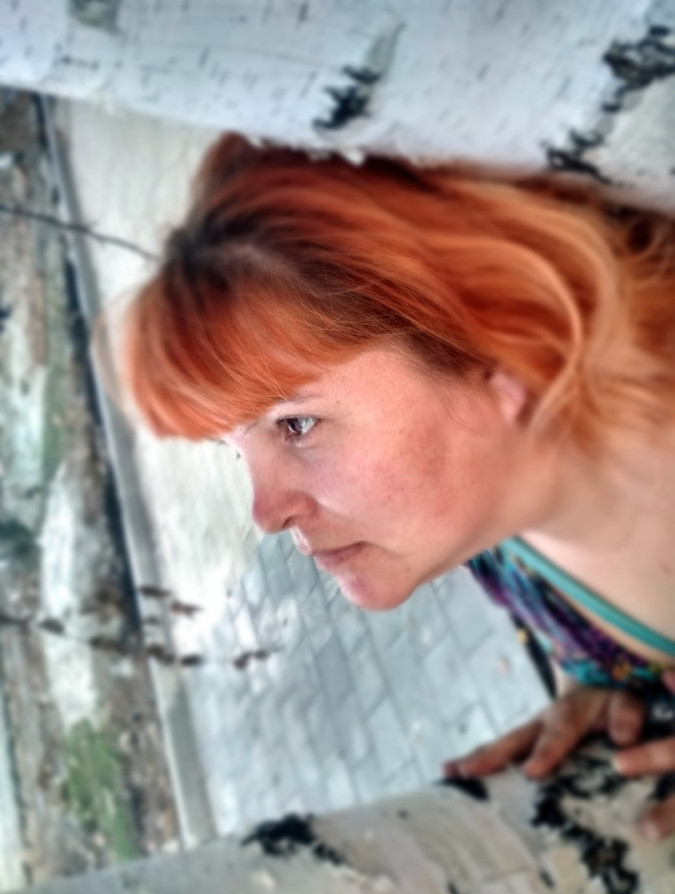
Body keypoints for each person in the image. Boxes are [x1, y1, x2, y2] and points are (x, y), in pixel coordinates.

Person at [122, 135, 675, 841]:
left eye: (296, 425)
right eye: (237, 454)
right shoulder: (494, 535)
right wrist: (594, 677)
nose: (265, 514)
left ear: (497, 347)